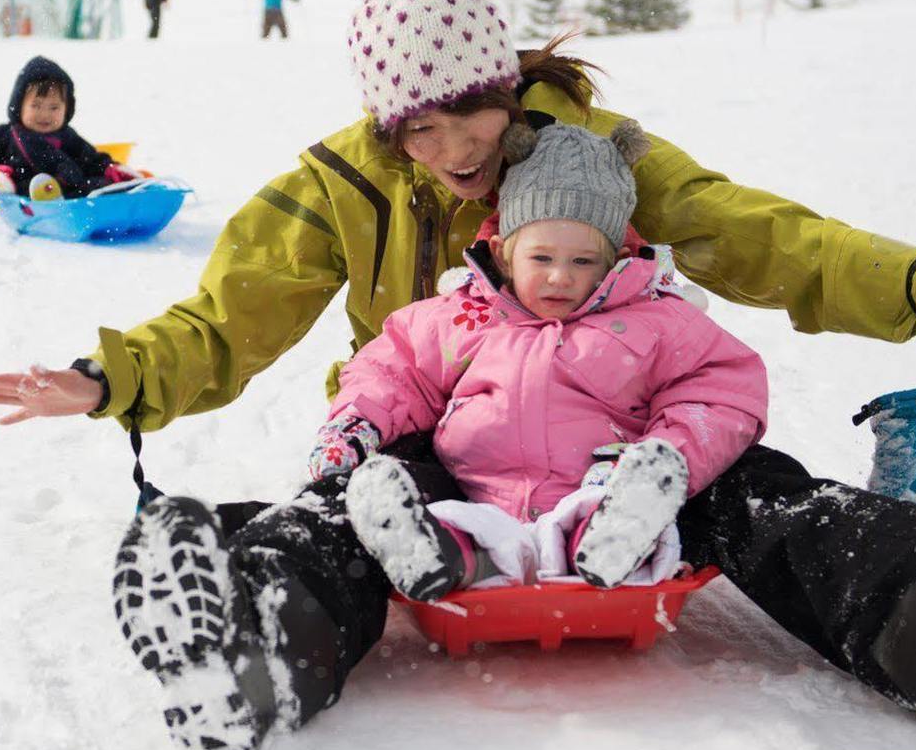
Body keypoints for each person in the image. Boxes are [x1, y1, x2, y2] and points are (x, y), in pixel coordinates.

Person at [0, 0, 916, 750]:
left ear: (505, 81)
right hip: (437, 438)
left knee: (772, 500)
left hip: (622, 442)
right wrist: (108, 375)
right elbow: (227, 314)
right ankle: (249, 652)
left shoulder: (590, 160)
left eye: (469, 114)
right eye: (413, 134)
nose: (448, 150)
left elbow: (759, 236)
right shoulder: (338, 186)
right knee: (340, 513)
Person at [319, 120, 767, 603]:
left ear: (614, 259)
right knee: (444, 514)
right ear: (504, 254)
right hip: (475, 497)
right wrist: (357, 422)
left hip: (596, 494)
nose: (560, 277)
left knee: (614, 513)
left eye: (582, 262)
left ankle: (608, 543)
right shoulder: (464, 317)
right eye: (541, 258)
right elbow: (395, 369)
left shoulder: (654, 319)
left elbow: (718, 389)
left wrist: (661, 456)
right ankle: (430, 552)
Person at [0, 55, 133, 200]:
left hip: (72, 192)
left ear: (66, 110)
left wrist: (110, 168)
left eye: (54, 108)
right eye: (36, 106)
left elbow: (90, 158)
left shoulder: (67, 136)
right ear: (19, 106)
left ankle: (123, 190)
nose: (45, 115)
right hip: (24, 191)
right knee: (24, 185)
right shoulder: (7, 134)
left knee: (96, 184)